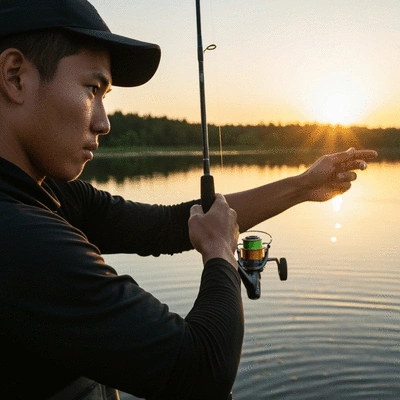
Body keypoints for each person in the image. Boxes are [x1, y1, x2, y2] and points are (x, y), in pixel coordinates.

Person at [0, 1, 378, 399]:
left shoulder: (47, 193)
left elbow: (169, 226)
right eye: (92, 90)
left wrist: (302, 186)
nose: (104, 121)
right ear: (15, 76)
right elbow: (200, 371)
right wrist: (219, 254)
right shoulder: (18, 238)